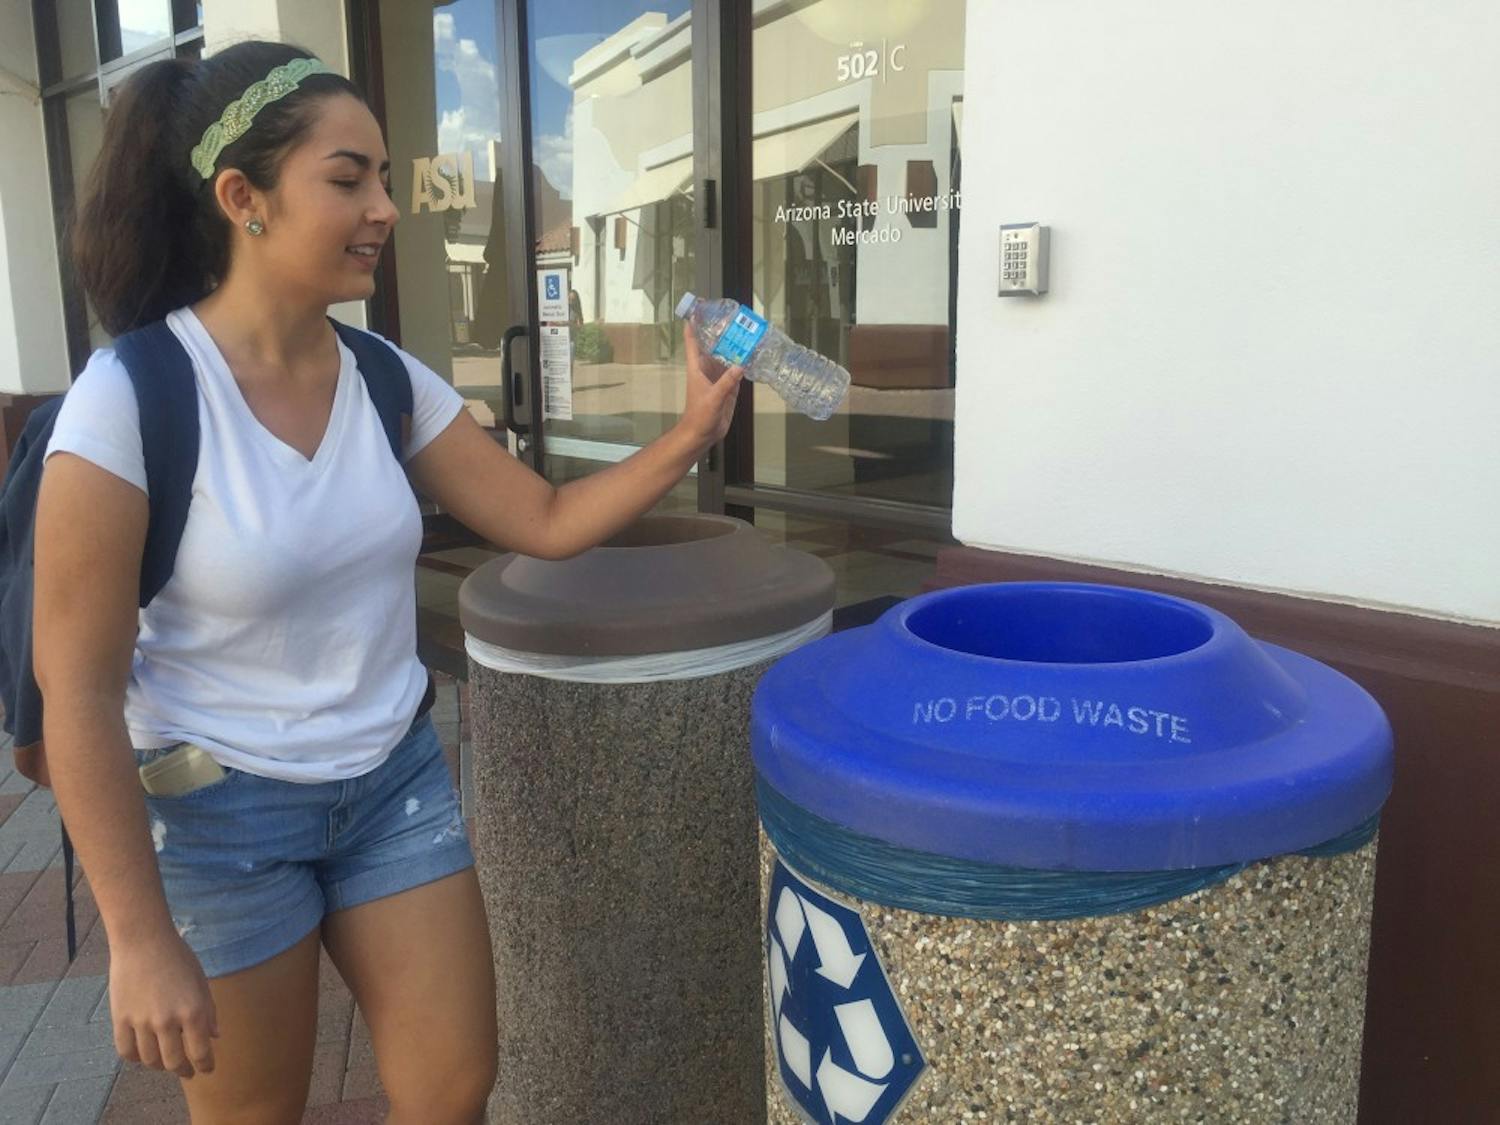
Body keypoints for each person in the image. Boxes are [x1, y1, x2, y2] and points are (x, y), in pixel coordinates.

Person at [33, 42, 743, 1125]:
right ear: (243, 198)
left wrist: (692, 432)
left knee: (454, 1083)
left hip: (392, 786)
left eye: (383, 178)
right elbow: (76, 686)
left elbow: (544, 520)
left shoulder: (381, 377)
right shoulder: (130, 400)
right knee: (255, 1112)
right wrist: (137, 937)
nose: (384, 207)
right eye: (347, 177)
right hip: (220, 815)